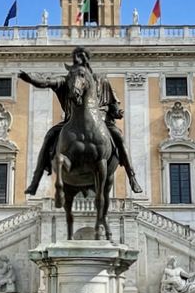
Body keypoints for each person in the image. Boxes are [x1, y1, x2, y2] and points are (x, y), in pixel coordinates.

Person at [19, 48, 142, 194]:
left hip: (103, 122)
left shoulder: (102, 80)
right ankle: (35, 181)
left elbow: (113, 105)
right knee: (49, 137)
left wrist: (116, 112)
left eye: (81, 61)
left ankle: (132, 177)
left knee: (119, 138)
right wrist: (31, 80)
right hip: (71, 121)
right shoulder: (68, 81)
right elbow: (47, 83)